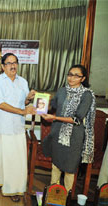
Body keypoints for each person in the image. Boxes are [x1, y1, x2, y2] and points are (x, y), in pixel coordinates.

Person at [0, 53, 36, 202]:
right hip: (3, 127)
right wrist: (22, 111)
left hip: (18, 127)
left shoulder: (23, 81)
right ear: (3, 66)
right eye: (8, 63)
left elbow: (24, 104)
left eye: (15, 62)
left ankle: (15, 189)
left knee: (17, 160)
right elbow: (0, 104)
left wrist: (28, 99)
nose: (12, 66)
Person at [42, 64, 96, 192]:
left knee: (69, 168)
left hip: (74, 136)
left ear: (83, 79)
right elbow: (52, 106)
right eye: (70, 74)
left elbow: (77, 119)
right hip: (57, 132)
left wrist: (54, 118)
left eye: (76, 76)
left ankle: (66, 197)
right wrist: (41, 99)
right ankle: (52, 195)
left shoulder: (86, 95)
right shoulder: (62, 91)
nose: (72, 78)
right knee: (55, 165)